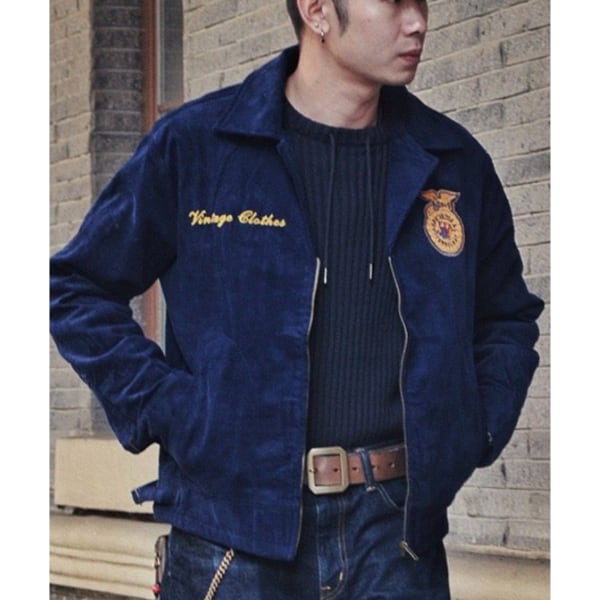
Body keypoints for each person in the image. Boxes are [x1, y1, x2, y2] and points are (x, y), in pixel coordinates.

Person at [50, 0, 544, 598]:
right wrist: (172, 409)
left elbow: (506, 318)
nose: (417, 21)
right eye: (393, 2)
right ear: (316, 11)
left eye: (421, 2)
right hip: (233, 537)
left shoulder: (453, 164)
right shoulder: (200, 146)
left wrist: (474, 429)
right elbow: (77, 287)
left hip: (396, 540)